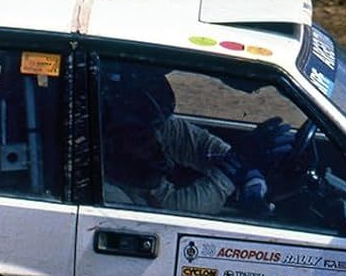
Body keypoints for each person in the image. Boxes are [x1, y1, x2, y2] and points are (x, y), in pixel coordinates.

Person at [101, 67, 294, 215]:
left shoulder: (150, 127)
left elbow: (201, 146)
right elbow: (177, 208)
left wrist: (250, 176)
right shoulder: (108, 189)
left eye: (155, 128)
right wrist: (236, 164)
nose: (155, 139)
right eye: (142, 135)